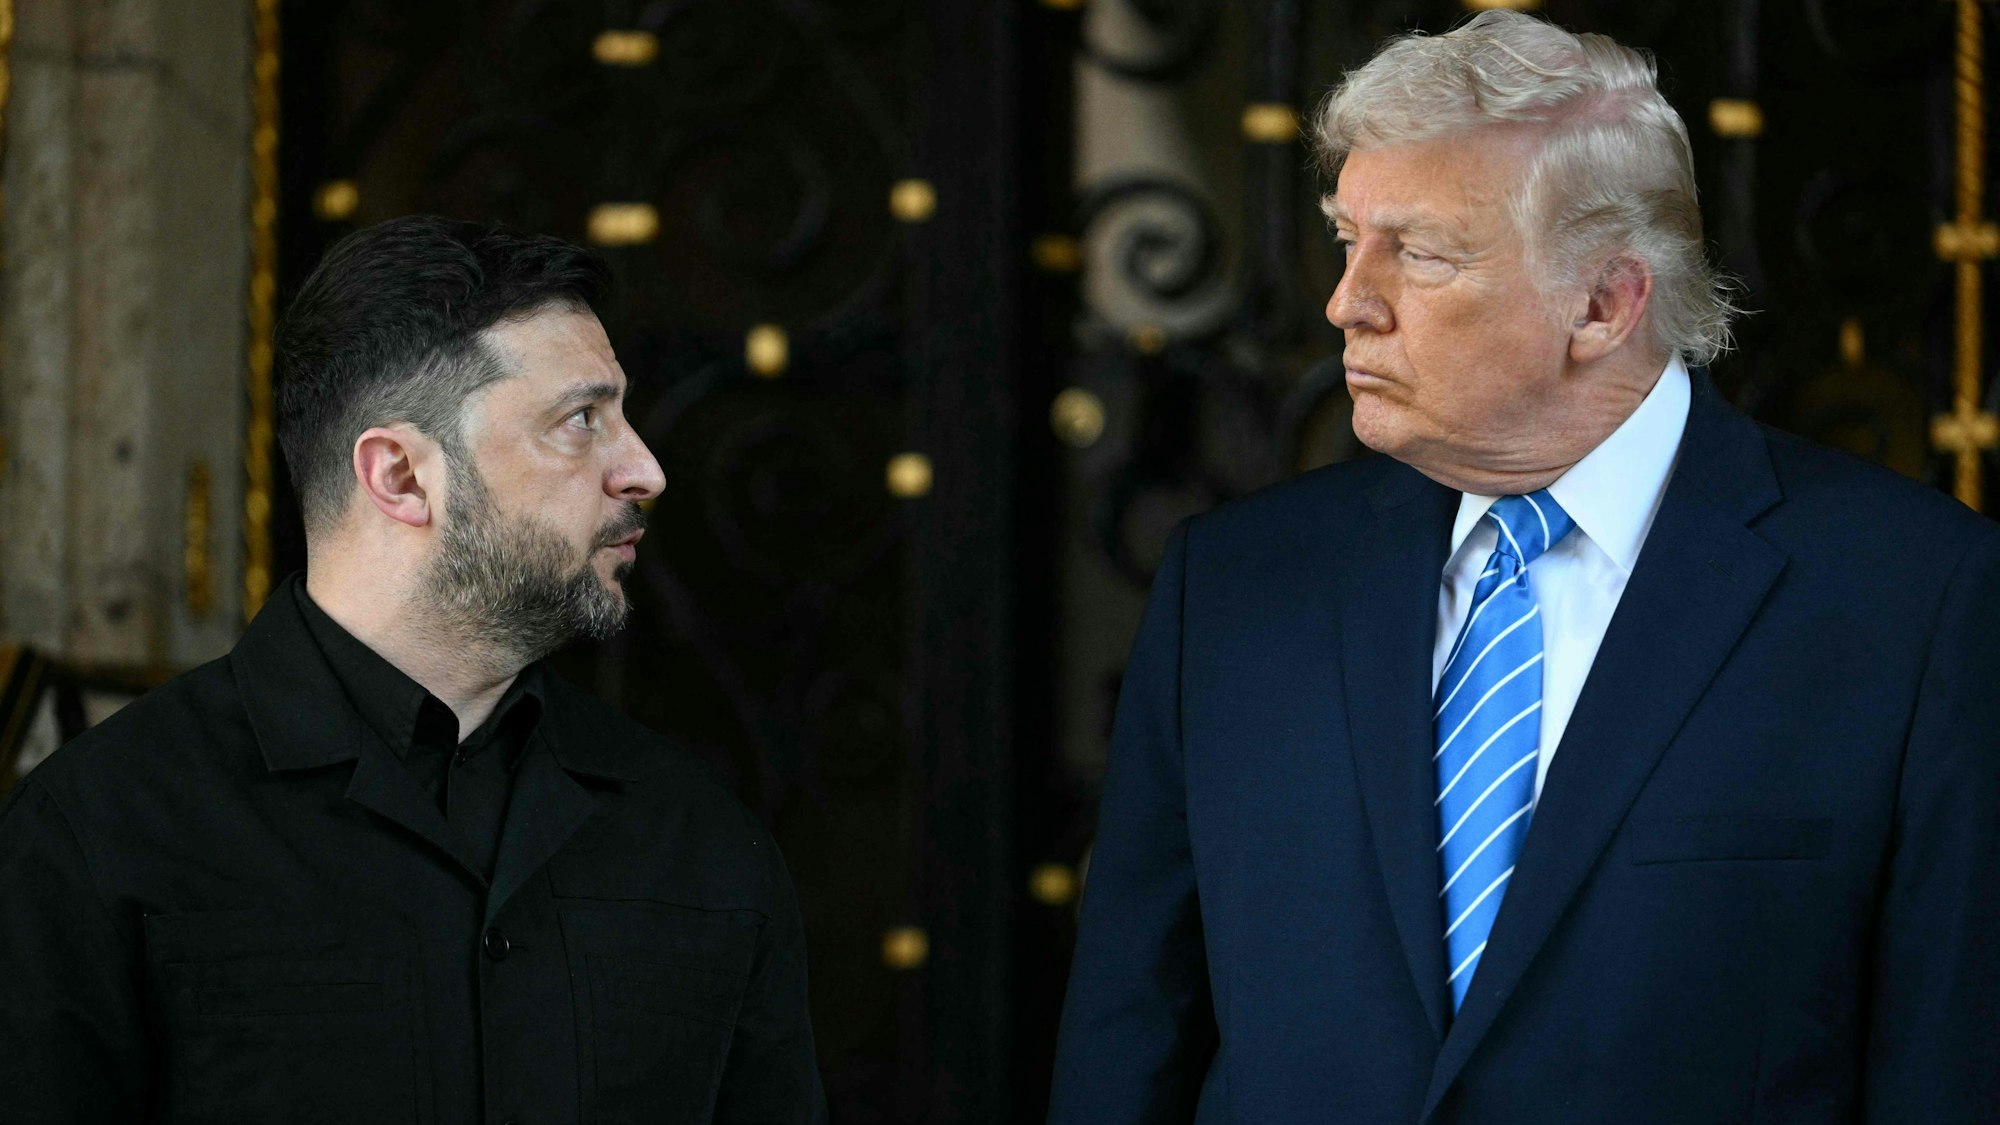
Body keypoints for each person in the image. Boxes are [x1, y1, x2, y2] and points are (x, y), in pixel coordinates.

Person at [1049, 12, 1999, 1124]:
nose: (1346, 300)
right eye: (1345, 237)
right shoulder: (1234, 586)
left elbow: (1948, 1062)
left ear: (1602, 303)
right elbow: (1131, 1036)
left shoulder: (1912, 595)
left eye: (1420, 252)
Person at [0, 216, 827, 1124]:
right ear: (399, 475)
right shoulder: (97, 832)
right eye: (581, 420)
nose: (644, 469)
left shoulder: (702, 840)